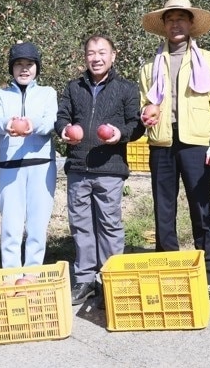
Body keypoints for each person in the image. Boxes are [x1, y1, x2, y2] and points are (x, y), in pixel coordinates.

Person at [138, 0, 210, 302]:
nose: (176, 24)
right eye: (170, 19)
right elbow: (144, 105)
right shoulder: (150, 66)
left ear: (191, 24)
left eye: (181, 18)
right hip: (161, 143)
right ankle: (169, 269)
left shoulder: (209, 60)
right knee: (164, 210)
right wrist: (146, 113)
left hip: (196, 143)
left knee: (201, 208)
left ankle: (208, 274)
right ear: (163, 26)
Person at [55, 34, 144, 306]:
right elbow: (62, 116)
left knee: (109, 225)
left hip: (110, 168)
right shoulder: (73, 88)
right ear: (85, 57)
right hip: (79, 167)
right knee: (81, 226)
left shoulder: (127, 89)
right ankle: (84, 280)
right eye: (91, 53)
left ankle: (110, 279)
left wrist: (121, 133)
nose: (96, 58)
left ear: (113, 55)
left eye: (102, 52)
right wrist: (63, 131)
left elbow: (136, 125)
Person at [0, 42, 58, 269]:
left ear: (37, 67)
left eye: (29, 64)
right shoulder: (1, 95)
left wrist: (32, 124)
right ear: (12, 69)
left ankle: (32, 274)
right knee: (11, 225)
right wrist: (7, 124)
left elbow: (50, 122)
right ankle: (11, 275)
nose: (24, 69)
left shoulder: (48, 93)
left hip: (42, 165)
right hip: (10, 166)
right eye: (19, 64)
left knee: (38, 226)